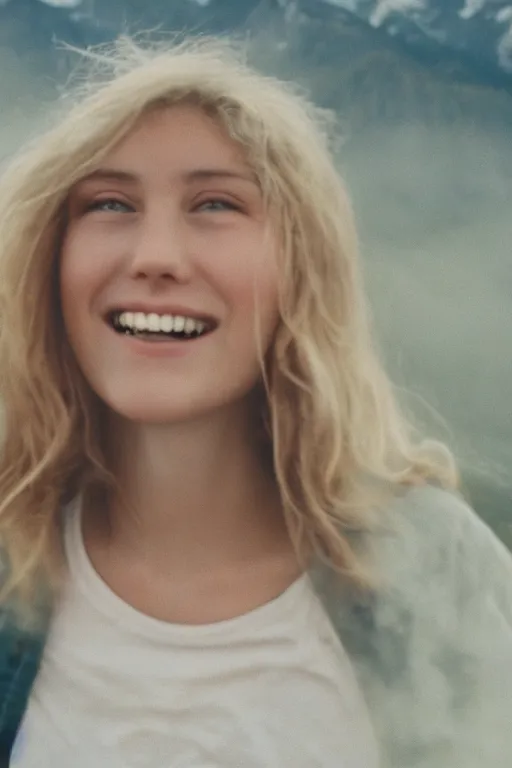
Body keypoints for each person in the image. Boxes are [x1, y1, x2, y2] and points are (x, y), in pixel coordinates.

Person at [0, 35, 510, 768]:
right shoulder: (9, 566)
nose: (155, 257)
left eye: (215, 204)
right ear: (49, 260)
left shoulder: (434, 568)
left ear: (303, 272)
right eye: (109, 203)